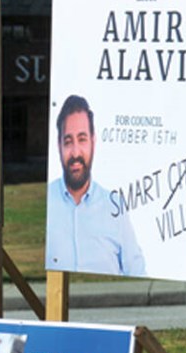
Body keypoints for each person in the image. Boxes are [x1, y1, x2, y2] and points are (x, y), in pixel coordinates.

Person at [46, 94, 146, 276]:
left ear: (93, 141)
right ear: (58, 145)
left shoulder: (114, 206)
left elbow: (137, 272)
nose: (75, 152)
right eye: (68, 142)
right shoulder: (46, 203)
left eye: (82, 139)